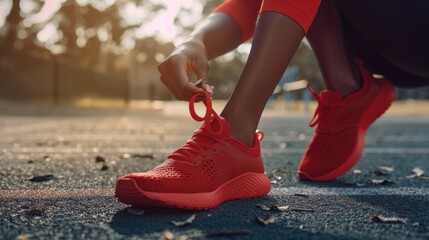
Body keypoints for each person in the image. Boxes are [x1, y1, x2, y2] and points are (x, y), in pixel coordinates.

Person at [114, 0, 429, 209]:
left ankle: (236, 134)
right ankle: (349, 89)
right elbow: (253, 2)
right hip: (384, 38)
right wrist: (196, 41)